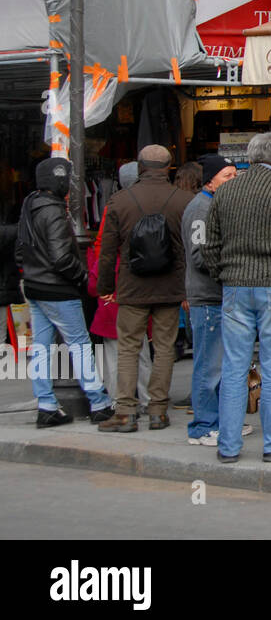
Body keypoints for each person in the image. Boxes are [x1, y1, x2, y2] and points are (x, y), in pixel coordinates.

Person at [202, 132, 271, 463]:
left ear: (250, 157)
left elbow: (209, 246)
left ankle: (228, 446)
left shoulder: (226, 190)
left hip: (234, 288)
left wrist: (221, 274)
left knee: (235, 368)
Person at [96, 145, 192, 432]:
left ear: (140, 167)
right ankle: (158, 411)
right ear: (168, 167)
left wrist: (105, 287)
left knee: (128, 347)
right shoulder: (184, 201)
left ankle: (125, 411)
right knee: (164, 348)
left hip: (132, 287)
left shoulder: (119, 201)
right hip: (170, 286)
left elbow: (107, 252)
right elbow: (190, 250)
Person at [15, 157, 115, 427]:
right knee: (80, 345)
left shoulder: (30, 205)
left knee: (41, 348)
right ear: (60, 182)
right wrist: (82, 278)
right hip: (58, 289)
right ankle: (99, 401)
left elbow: (20, 251)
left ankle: (46, 405)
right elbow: (61, 258)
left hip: (35, 286)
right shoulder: (54, 211)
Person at [181, 154, 251, 445]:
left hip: (216, 296)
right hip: (208, 298)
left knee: (220, 364)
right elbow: (199, 256)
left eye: (235, 176)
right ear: (210, 181)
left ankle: (222, 422)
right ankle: (203, 426)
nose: (233, 181)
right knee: (208, 365)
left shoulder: (214, 205)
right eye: (227, 177)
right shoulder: (200, 209)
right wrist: (232, 263)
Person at [89, 162, 153, 411]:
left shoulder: (114, 206)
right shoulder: (152, 203)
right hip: (144, 282)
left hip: (116, 282)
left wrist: (103, 285)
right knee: (142, 348)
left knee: (115, 349)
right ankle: (149, 399)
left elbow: (103, 248)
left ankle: (119, 401)